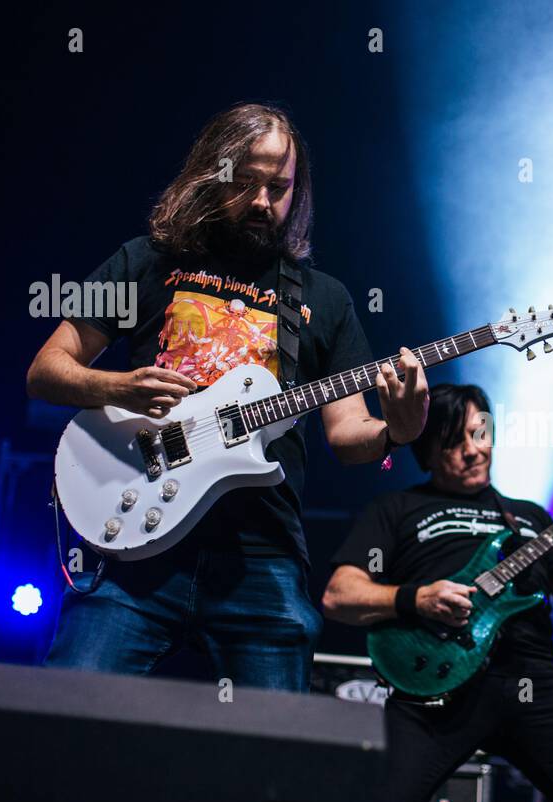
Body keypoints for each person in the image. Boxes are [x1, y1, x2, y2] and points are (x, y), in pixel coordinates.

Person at [27, 103, 429, 690]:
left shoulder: (325, 298)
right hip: (139, 540)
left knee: (276, 757)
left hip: (260, 557)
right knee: (68, 713)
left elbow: (349, 437)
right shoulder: (147, 263)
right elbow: (46, 369)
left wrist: (400, 427)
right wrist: (119, 386)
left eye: (279, 187)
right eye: (247, 183)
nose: (264, 202)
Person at [322, 383, 553, 802]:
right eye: (457, 440)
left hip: (534, 684)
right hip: (433, 692)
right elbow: (337, 595)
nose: (475, 449)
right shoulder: (396, 510)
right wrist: (416, 598)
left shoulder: (530, 518)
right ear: (427, 449)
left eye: (481, 433)